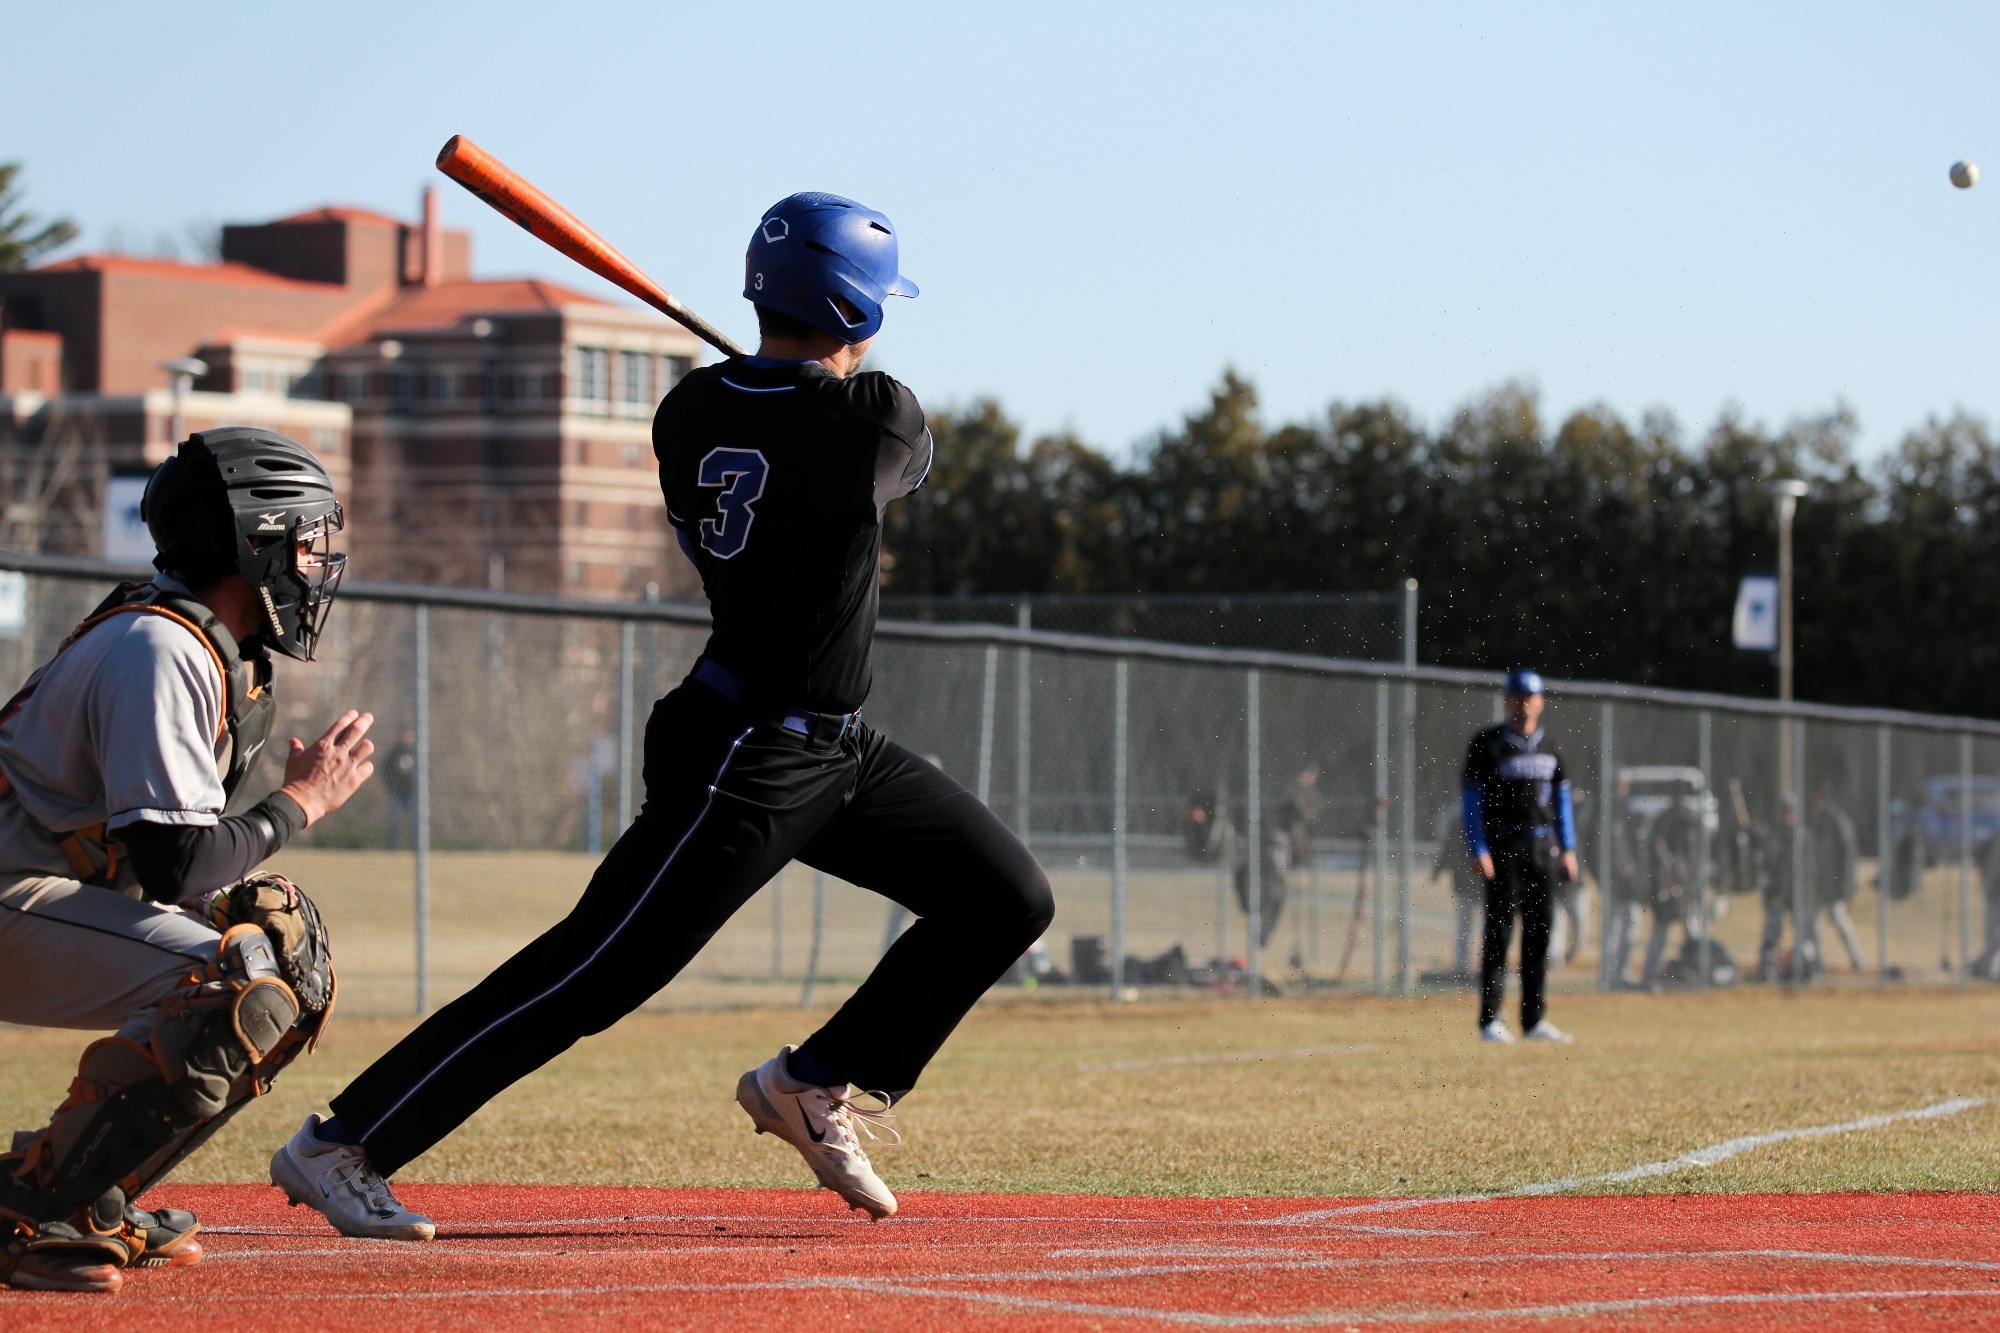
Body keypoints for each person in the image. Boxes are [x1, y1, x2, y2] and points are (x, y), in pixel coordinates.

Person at [270, 190, 1054, 1236]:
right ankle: (344, 1141)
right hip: (747, 748)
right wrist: (806, 392)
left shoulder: (688, 410)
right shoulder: (873, 416)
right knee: (596, 968)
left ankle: (812, 1080)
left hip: (827, 747)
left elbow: (771, 438)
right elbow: (898, 466)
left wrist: (782, 390)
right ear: (858, 312)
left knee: (1003, 895)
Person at [0, 428, 365, 1292]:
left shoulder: (193, 641)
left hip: (33, 889)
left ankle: (86, 1194)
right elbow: (172, 864)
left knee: (286, 965)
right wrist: (298, 804)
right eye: (305, 542)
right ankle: (37, 1207)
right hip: (12, 890)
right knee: (239, 985)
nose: (316, 564)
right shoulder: (161, 648)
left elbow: (166, 858)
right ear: (253, 540)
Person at [1463, 668, 1578, 1043]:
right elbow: (1472, 800)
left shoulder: (1552, 746)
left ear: (1540, 702)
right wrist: (1478, 846)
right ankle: (1490, 1020)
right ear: (1506, 700)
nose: (1523, 704)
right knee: (1498, 934)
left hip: (1543, 848)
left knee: (1539, 935)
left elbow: (1562, 801)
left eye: (1529, 697)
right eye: (1516, 697)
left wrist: (1569, 848)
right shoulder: (1488, 744)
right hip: (1504, 847)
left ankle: (1533, 1020)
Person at [381, 728, 417, 850]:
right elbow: (384, 770)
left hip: (412, 793)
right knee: (393, 822)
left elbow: (425, 771)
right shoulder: (395, 752)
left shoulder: (415, 752)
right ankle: (391, 848)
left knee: (415, 822)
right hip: (396, 793)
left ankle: (416, 848)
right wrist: (391, 786)